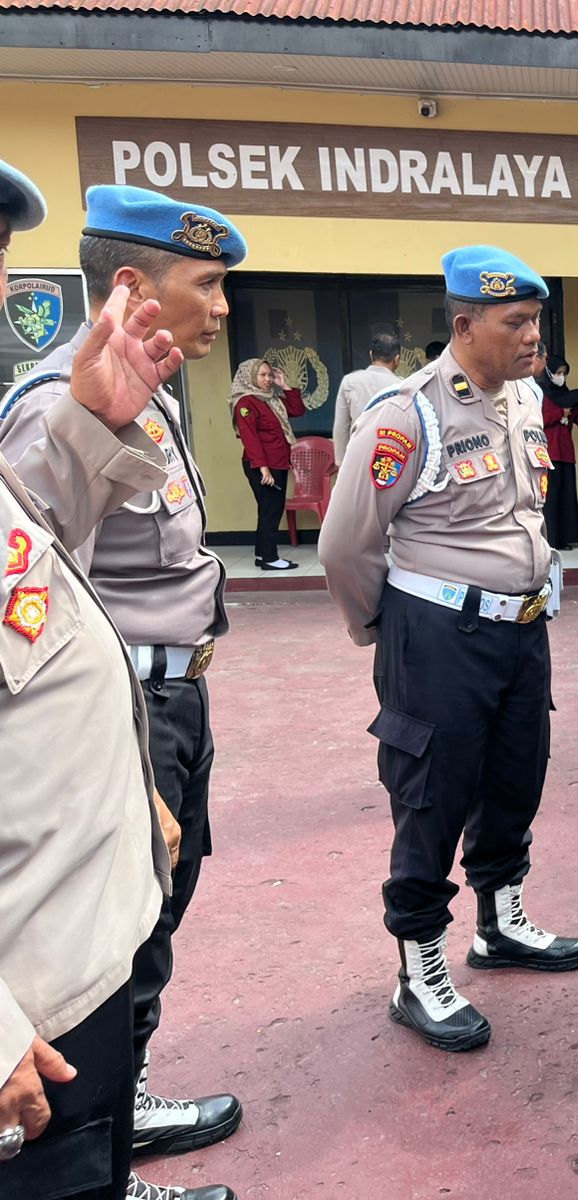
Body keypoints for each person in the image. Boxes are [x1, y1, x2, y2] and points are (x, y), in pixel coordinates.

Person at [0, 184, 247, 1200]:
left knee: (146, 936)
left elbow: (38, 574)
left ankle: (121, 1126)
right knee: (118, 957)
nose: (223, 306)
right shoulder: (40, 404)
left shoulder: (125, 389)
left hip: (142, 725)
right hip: (92, 785)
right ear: (137, 284)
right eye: (208, 283)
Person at [321, 245, 578, 1054]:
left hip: (521, 630)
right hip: (439, 636)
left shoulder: (524, 399)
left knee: (515, 778)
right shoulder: (409, 414)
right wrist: (384, 632)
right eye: (517, 322)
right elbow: (345, 546)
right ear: (465, 325)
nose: (533, 336)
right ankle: (419, 969)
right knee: (432, 799)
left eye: (537, 320)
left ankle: (499, 924)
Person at [229, 356, 304, 570]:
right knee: (271, 512)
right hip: (263, 465)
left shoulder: (271, 399)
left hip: (277, 463)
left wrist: (284, 385)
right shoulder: (245, 403)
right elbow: (250, 438)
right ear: (250, 376)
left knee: (268, 510)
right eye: (262, 375)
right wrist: (263, 469)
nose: (268, 379)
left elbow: (297, 410)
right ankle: (270, 559)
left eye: (270, 375)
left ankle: (262, 554)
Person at [331, 328, 402, 465]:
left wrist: (341, 462)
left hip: (358, 456)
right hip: (391, 458)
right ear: (397, 359)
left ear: (370, 354)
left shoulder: (349, 381)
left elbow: (341, 427)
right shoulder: (402, 386)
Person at [540, 352, 578, 550]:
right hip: (549, 454)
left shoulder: (568, 396)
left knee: (566, 498)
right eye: (558, 372)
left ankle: (565, 539)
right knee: (551, 499)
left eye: (564, 373)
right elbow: (539, 420)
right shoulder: (541, 395)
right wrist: (560, 413)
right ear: (549, 373)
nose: (561, 377)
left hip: (566, 454)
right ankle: (551, 539)